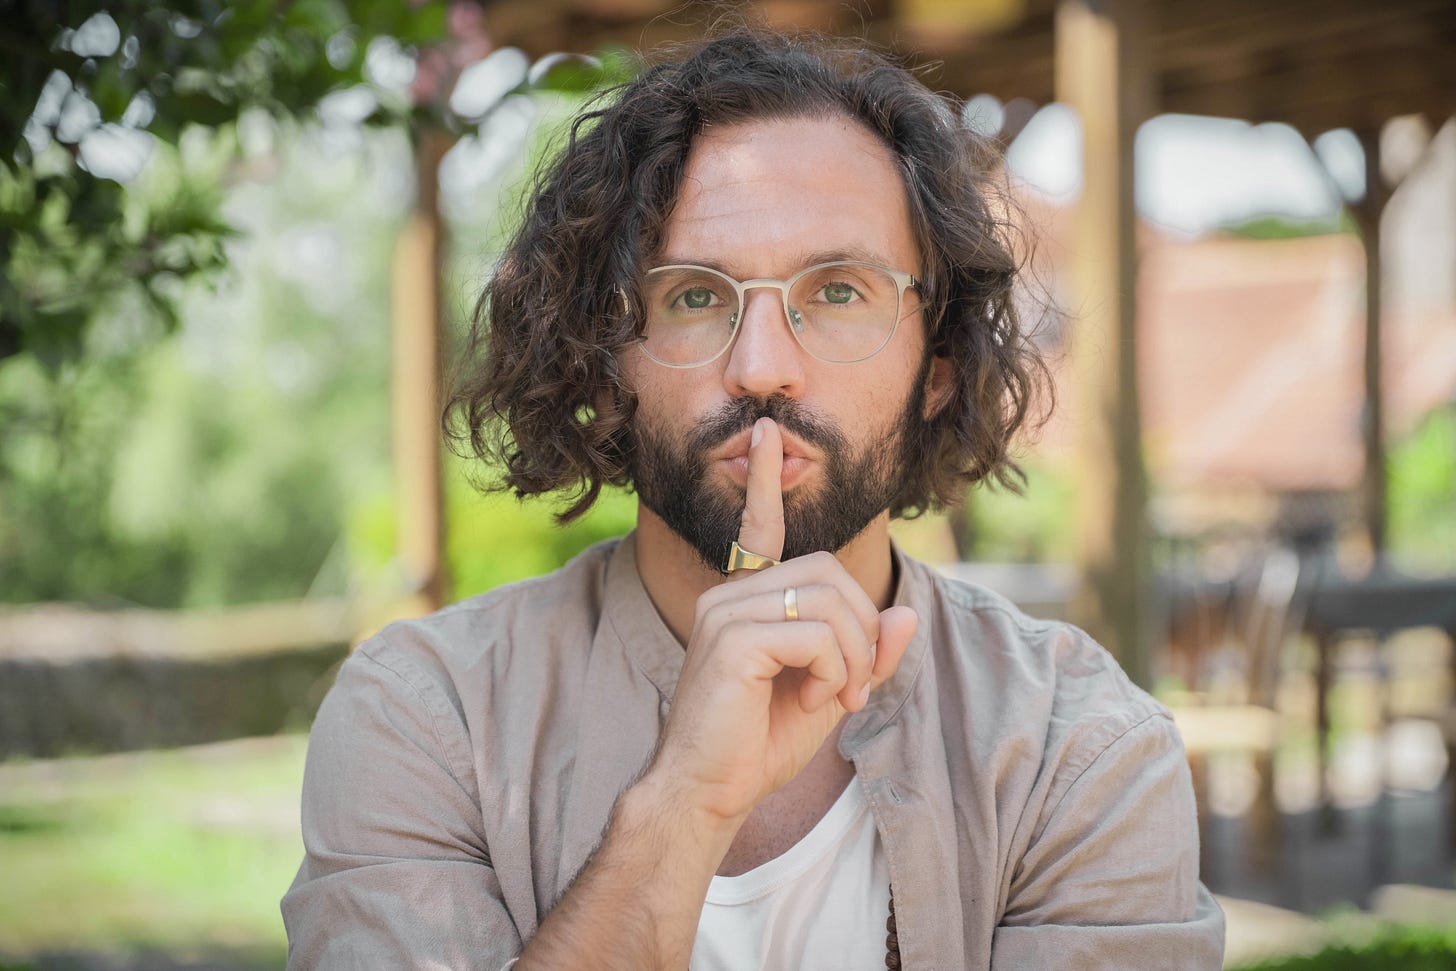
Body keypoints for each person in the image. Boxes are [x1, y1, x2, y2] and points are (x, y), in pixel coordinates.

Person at [281, 28, 1225, 970]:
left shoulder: (1083, 749)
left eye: (839, 292)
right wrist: (683, 802)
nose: (763, 368)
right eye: (695, 297)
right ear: (608, 368)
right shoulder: (425, 716)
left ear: (937, 367)